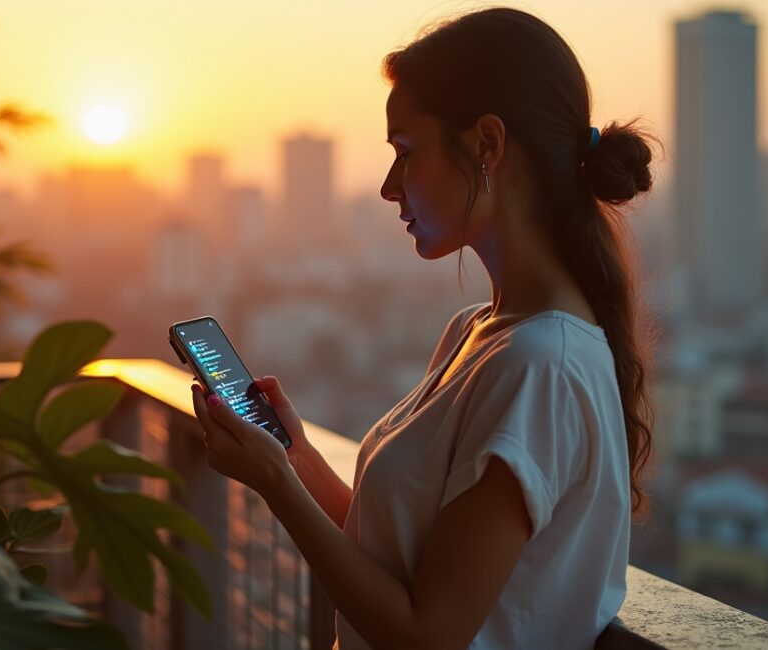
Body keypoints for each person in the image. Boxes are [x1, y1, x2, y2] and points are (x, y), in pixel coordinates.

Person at [190, 7, 656, 649]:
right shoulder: (480, 331)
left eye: (405, 152)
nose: (388, 186)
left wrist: (273, 483)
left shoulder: (540, 365)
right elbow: (405, 560)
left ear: (487, 145)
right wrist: (294, 458)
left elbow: (427, 635)